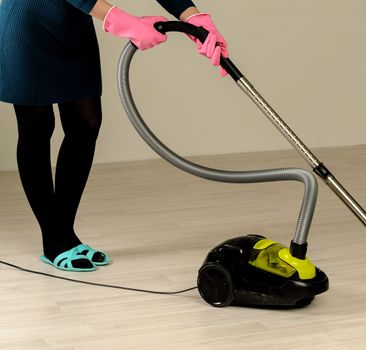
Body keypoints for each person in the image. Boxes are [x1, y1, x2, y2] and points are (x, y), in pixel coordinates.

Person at [0, 0, 228, 272]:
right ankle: (56, 238)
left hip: (74, 25)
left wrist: (193, 17)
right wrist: (121, 20)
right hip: (28, 22)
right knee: (37, 128)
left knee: (86, 123)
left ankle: (63, 233)